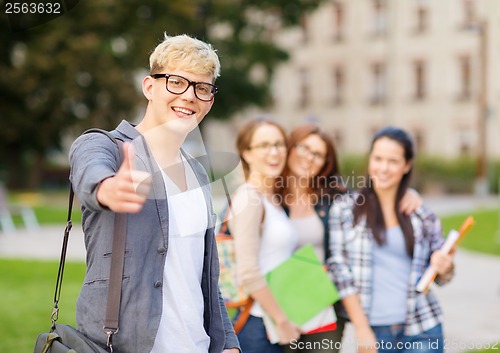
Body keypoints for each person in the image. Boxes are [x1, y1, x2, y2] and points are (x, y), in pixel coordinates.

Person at [69, 33, 240, 353]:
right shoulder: (107, 147)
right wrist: (106, 188)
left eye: (202, 88)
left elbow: (203, 276)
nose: (189, 96)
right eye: (176, 82)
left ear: (210, 100)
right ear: (149, 87)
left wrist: (228, 342)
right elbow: (89, 168)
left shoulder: (199, 174)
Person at [278, 124, 423, 353]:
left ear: (326, 163)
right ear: (290, 148)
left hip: (320, 304)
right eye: (303, 148)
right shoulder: (265, 196)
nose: (309, 157)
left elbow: (373, 196)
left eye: (318, 154)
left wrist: (408, 193)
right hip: (274, 302)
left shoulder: (333, 197)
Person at [328, 126, 455, 353]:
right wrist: (361, 328)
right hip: (374, 331)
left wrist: (446, 267)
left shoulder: (422, 215)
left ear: (406, 166)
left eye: (393, 161)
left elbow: (440, 276)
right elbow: (340, 272)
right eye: (378, 159)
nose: (383, 168)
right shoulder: (345, 210)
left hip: (422, 327)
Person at [227, 117, 301, 353]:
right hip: (258, 324)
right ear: (246, 153)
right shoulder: (249, 198)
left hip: (272, 322)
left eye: (279, 144)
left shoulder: (271, 199)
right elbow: (248, 271)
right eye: (264, 146)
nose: (274, 152)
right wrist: (281, 319)